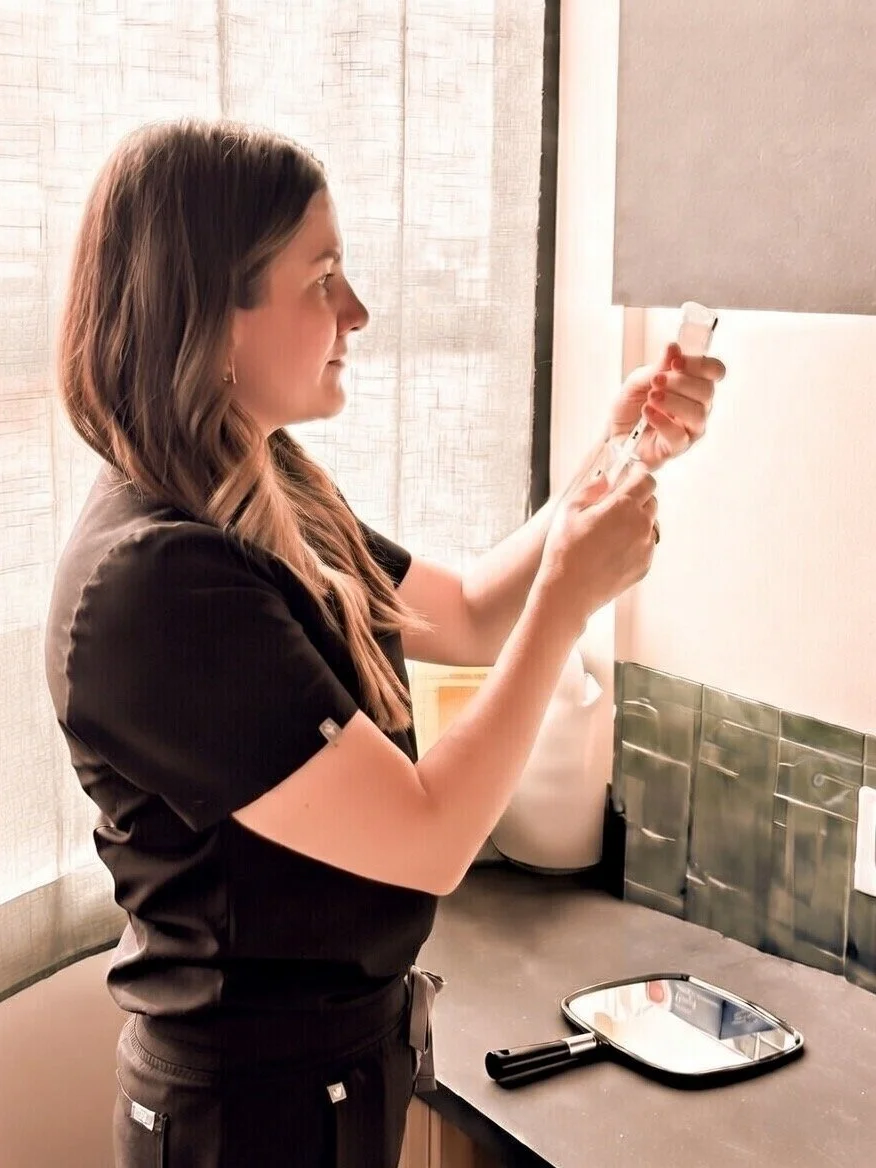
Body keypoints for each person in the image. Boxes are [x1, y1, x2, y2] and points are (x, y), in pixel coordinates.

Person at [43, 117, 724, 1168]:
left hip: (335, 1073)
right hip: (248, 1114)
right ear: (210, 315)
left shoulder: (267, 485)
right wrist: (569, 600)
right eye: (323, 278)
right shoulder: (157, 585)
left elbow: (460, 610)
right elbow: (428, 837)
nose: (357, 311)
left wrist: (620, 451)